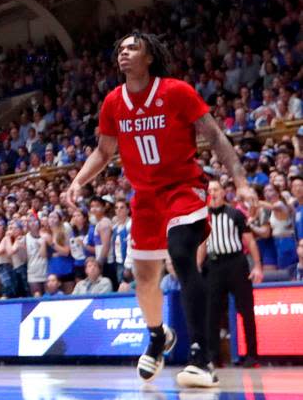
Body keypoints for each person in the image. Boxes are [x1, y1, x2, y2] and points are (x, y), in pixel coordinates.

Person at [65, 31, 257, 388]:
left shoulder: (176, 91)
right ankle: (157, 336)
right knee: (145, 281)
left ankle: (201, 357)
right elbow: (104, 152)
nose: (124, 52)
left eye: (132, 47)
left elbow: (214, 136)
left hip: (183, 188)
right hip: (146, 199)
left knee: (182, 255)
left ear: (150, 56)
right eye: (120, 48)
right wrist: (78, 181)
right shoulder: (112, 102)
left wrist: (241, 182)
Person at [199, 180, 262, 367]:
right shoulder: (203, 218)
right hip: (214, 265)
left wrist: (257, 265)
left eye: (216, 189)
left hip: (236, 263)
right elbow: (202, 244)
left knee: (246, 310)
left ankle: (252, 355)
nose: (213, 193)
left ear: (223, 193)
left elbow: (249, 241)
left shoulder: (234, 213)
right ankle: (213, 356)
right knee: (212, 313)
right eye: (209, 190)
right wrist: (196, 267)